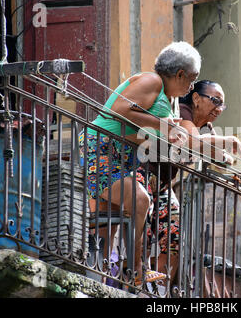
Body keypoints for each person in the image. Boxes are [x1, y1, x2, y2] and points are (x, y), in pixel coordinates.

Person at [79, 41, 201, 285]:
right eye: (192, 79)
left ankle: (98, 284)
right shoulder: (152, 81)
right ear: (179, 74)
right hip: (103, 151)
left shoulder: (165, 98)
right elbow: (118, 110)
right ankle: (137, 270)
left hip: (121, 158)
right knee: (139, 200)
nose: (190, 87)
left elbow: (146, 129)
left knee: (108, 226)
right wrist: (162, 124)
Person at [142, 80, 241, 285]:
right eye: (215, 101)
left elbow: (201, 147)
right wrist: (229, 141)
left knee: (176, 233)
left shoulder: (202, 126)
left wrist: (221, 155)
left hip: (161, 185)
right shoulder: (182, 112)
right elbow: (190, 141)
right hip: (142, 176)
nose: (219, 109)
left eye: (222, 105)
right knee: (142, 226)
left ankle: (157, 288)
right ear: (197, 98)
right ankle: (136, 273)